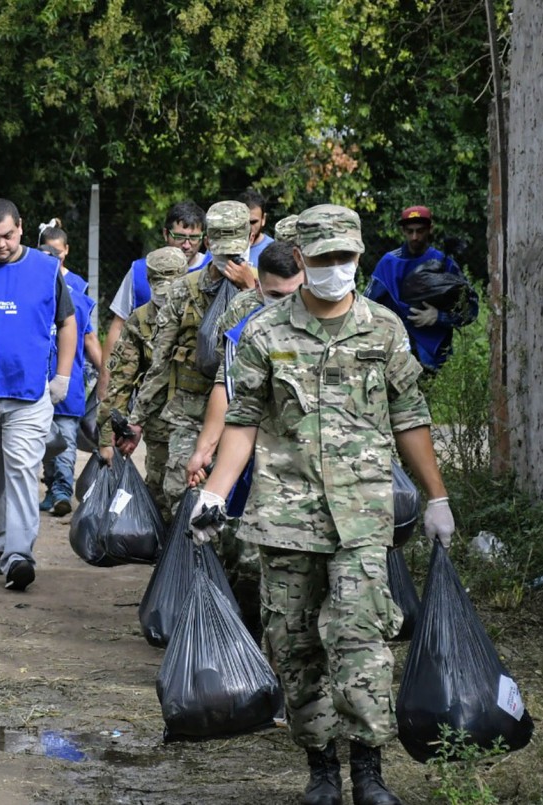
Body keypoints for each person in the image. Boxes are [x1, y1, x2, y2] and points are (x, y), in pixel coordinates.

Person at [190, 204, 455, 805]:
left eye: (348, 258)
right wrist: (212, 492)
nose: (338, 269)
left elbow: (411, 417)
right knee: (295, 641)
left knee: (362, 637)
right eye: (326, 258)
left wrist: (436, 497)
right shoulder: (264, 332)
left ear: (360, 258)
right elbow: (244, 420)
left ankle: (368, 767)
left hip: (362, 515)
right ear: (302, 260)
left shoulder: (384, 330)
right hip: (286, 515)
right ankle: (320, 769)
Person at [182, 240, 306, 634]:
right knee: (249, 559)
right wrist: (205, 453)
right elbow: (229, 395)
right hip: (259, 467)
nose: (283, 303)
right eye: (274, 295)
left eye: (293, 294)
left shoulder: (338, 326)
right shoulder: (248, 331)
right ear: (257, 288)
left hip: (316, 472)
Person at [0, 198, 77, 591]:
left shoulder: (46, 269)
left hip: (28, 393)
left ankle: (20, 554)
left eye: (8, 235)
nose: (1, 244)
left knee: (22, 470)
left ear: (21, 228)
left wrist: (62, 377)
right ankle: (1, 545)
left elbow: (68, 322)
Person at [123, 200, 257, 513]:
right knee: (178, 490)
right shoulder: (184, 290)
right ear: (209, 243)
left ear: (251, 240)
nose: (230, 261)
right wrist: (138, 420)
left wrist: (253, 291)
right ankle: (187, 559)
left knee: (245, 497)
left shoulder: (270, 286)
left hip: (249, 412)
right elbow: (160, 362)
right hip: (190, 407)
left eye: (236, 253)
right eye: (223, 253)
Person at [97, 246, 189, 510]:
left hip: (199, 423)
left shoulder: (202, 315)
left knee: (193, 491)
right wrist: (107, 439)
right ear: (149, 282)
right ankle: (166, 550)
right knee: (161, 492)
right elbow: (120, 383)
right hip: (159, 422)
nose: (165, 301)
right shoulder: (140, 320)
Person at [99, 201, 213, 390]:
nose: (187, 245)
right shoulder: (140, 271)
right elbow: (118, 326)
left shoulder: (213, 271)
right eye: (180, 237)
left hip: (197, 383)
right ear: (165, 234)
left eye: (194, 238)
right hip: (149, 380)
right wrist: (105, 380)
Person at [36, 223, 102, 517]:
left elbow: (89, 338)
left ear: (66, 253)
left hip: (67, 380)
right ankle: (52, 488)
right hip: (35, 380)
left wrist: (106, 374)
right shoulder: (30, 284)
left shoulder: (77, 290)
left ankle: (63, 489)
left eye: (57, 255)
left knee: (65, 437)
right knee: (45, 440)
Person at [364, 205, 479, 373]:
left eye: (420, 231)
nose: (415, 237)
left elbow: (471, 309)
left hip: (433, 357)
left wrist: (439, 316)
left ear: (430, 229)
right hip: (393, 356)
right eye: (409, 231)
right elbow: (365, 307)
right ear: (403, 230)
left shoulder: (444, 263)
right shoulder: (389, 263)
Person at [241, 189, 275, 265]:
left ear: (263, 219)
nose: (248, 228)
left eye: (253, 222)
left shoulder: (273, 251)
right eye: (243, 223)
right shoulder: (221, 246)